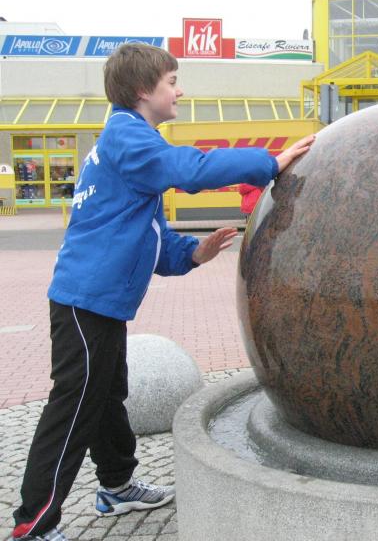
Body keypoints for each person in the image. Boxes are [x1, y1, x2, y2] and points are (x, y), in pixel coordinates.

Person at [11, 43, 314, 541]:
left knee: (106, 396)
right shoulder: (125, 135)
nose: (180, 91)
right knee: (75, 404)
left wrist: (194, 253)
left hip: (100, 302)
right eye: (172, 82)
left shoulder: (131, 145)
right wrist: (268, 162)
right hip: (84, 300)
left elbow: (150, 237)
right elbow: (187, 170)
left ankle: (117, 486)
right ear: (141, 90)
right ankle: (33, 521)